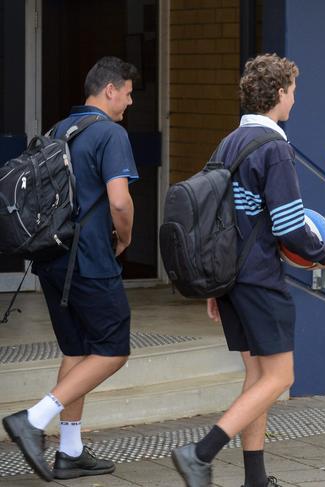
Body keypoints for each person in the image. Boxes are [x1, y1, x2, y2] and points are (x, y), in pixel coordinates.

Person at [171, 53, 325, 487]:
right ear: (280, 93)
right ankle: (200, 452)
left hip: (231, 278)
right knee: (281, 377)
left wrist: (216, 285)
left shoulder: (228, 142)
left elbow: (221, 218)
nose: (295, 101)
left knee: (257, 376)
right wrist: (323, 253)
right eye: (293, 92)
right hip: (260, 278)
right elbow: (287, 225)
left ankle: (255, 479)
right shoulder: (275, 148)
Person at [2, 56, 139, 481]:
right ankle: (33, 419)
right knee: (114, 349)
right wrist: (127, 237)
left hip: (52, 259)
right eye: (129, 93)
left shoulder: (60, 129)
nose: (130, 103)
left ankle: (71, 451)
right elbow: (119, 200)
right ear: (110, 90)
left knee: (77, 352)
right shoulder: (111, 133)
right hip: (91, 259)